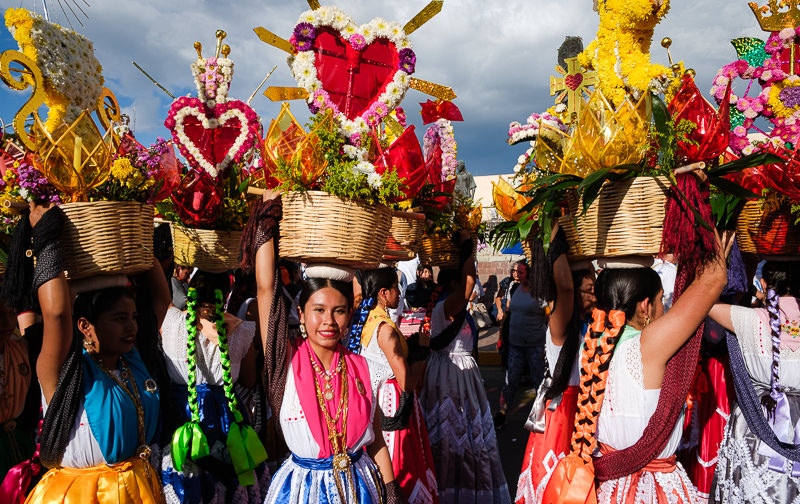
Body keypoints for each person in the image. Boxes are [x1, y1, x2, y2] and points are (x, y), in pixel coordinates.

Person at [543, 230, 733, 503]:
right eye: (660, 303)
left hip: (607, 488)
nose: (664, 311)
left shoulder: (594, 342)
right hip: (651, 489)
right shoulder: (646, 344)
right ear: (645, 307)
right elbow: (714, 280)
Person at [244, 191, 405, 504]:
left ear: (349, 316)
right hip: (302, 491)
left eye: (339, 310)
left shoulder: (364, 368)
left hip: (360, 489)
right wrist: (266, 224)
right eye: (318, 310)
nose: (328, 320)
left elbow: (374, 440)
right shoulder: (285, 362)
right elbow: (266, 289)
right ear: (301, 315)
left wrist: (391, 488)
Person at [22, 203, 169, 504]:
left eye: (133, 317)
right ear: (86, 326)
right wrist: (47, 240)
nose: (131, 327)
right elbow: (57, 314)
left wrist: (137, 243)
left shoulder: (132, 361)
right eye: (119, 319)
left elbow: (161, 301)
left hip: (138, 492)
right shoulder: (64, 371)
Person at [418, 233, 511, 504]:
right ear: (453, 283)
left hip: (457, 373)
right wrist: (467, 249)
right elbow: (470, 283)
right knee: (451, 435)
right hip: (451, 373)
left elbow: (468, 283)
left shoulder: (447, 304)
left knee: (464, 435)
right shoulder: (448, 305)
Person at [159, 270, 267, 503]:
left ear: (190, 293)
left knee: (185, 480)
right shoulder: (239, 330)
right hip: (225, 423)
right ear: (226, 294)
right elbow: (249, 380)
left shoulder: (170, 323)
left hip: (182, 417)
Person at [707, 261, 800, 503]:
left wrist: (743, 272)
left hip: (758, 419)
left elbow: (704, 301)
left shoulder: (748, 318)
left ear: (764, 283)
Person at [515, 226, 596, 504]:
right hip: (563, 415)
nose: (595, 297)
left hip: (586, 410)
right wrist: (555, 239)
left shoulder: (592, 324)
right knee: (559, 488)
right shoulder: (561, 326)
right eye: (589, 291)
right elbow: (565, 287)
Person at [352, 267, 438, 503]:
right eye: (395, 288)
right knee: (398, 460)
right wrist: (422, 351)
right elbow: (407, 382)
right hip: (393, 401)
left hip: (375, 396)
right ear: (383, 292)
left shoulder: (365, 321)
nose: (399, 293)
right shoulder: (386, 329)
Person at [494, 259, 548, 430]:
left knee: (539, 382)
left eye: (521, 271)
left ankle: (542, 416)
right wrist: (503, 334)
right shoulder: (515, 289)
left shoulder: (541, 293)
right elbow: (510, 313)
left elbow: (548, 316)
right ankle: (502, 413)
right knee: (510, 381)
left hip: (535, 346)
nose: (517, 274)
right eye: (516, 271)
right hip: (515, 345)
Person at [0, 295, 34, 476]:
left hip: (21, 442)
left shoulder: (22, 349)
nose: (6, 322)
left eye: (12, 314)